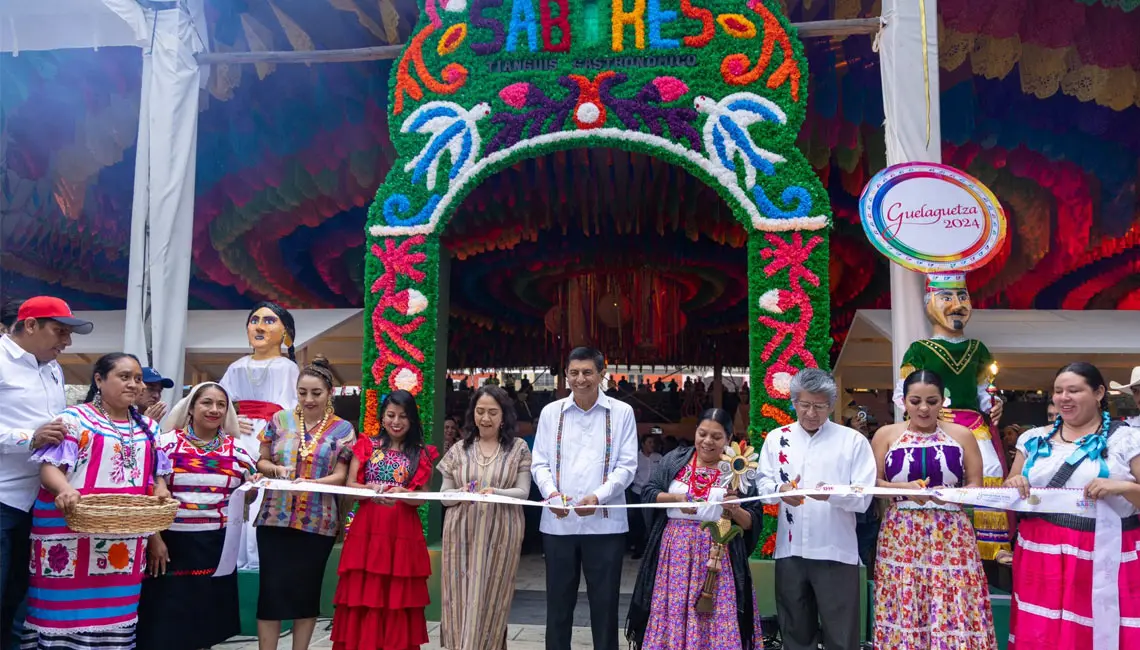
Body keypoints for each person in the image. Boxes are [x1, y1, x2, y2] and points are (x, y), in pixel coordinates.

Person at [21, 353, 171, 650]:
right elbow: (49, 467)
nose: (134, 384)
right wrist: (64, 488)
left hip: (123, 539)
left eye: (138, 379)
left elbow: (154, 476)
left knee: (116, 617)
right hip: (66, 535)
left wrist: (161, 491)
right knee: (59, 616)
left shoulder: (149, 429)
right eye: (124, 377)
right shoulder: (73, 420)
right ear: (99, 380)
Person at [1005, 362, 1140, 649]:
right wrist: (1014, 484)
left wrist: (1126, 488)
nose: (1064, 398)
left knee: (1099, 631)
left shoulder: (1128, 439)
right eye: (1058, 391)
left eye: (1074, 390)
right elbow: (1011, 488)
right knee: (1044, 632)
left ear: (1099, 393)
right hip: (1041, 554)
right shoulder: (1033, 440)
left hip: (1105, 553)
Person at [871, 369, 997, 650]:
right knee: (906, 596)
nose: (924, 408)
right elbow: (872, 482)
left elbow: (976, 484)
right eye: (915, 401)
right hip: (901, 532)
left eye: (932, 400)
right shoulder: (886, 434)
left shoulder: (962, 434)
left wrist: (951, 496)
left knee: (954, 599)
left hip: (951, 531)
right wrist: (902, 490)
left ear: (943, 401)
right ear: (903, 401)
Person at [756, 369, 876, 650]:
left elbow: (863, 497)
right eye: (805, 404)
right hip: (790, 553)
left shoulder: (852, 441)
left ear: (831, 405)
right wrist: (780, 492)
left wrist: (830, 495)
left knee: (841, 635)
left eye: (819, 406)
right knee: (795, 632)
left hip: (835, 551)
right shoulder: (776, 438)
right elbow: (763, 485)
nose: (811, 413)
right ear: (794, 403)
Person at [626, 408, 764, 650]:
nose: (707, 441)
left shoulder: (738, 470)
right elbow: (648, 492)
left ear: (729, 439)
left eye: (716, 436)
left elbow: (752, 520)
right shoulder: (675, 459)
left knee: (717, 613)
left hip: (718, 556)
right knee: (674, 610)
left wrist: (734, 510)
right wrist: (675, 499)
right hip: (675, 556)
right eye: (702, 434)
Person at [894, 275, 1010, 561]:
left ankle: (992, 544)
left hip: (973, 423)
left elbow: (984, 389)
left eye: (962, 298)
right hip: (935, 421)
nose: (957, 306)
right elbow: (903, 392)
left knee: (990, 470)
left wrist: (995, 404)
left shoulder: (978, 349)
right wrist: (923, 411)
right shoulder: (919, 349)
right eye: (946, 298)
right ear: (929, 303)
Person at [532, 347, 638, 650]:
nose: (581, 379)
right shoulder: (551, 413)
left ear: (602, 374)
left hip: (605, 527)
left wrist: (599, 497)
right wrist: (551, 494)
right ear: (566, 374)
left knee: (605, 608)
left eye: (588, 372)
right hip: (558, 524)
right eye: (574, 372)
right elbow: (539, 462)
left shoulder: (622, 412)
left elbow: (627, 466)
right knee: (558, 606)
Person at [136, 382, 256, 650]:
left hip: (216, 547)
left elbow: (245, 498)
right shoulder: (165, 445)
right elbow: (150, 493)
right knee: (165, 622)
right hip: (170, 546)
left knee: (205, 623)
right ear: (191, 407)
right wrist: (154, 539)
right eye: (207, 403)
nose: (214, 410)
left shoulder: (239, 451)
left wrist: (254, 488)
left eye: (221, 405)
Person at [0, 297, 91, 649]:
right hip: (4, 497)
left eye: (68, 334)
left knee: (20, 598)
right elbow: (36, 434)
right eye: (60, 331)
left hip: (39, 504)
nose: (66, 343)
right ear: (31, 325)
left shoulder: (53, 368)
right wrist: (28, 439)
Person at [253, 357, 354, 650]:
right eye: (302, 392)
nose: (308, 399)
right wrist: (274, 470)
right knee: (270, 591)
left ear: (329, 393)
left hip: (318, 520)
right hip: (274, 517)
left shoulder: (342, 429)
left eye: (316, 393)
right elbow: (262, 460)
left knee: (306, 592)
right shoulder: (279, 420)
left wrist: (311, 485)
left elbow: (342, 474)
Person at [331, 390, 438, 650]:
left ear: (412, 419)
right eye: (391, 415)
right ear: (382, 416)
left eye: (403, 416)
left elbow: (422, 498)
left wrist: (404, 494)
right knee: (364, 593)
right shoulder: (368, 444)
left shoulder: (421, 453)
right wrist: (369, 490)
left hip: (402, 531)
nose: (396, 421)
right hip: (367, 528)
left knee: (398, 597)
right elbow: (352, 483)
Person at [438, 385, 532, 650]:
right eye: (480, 412)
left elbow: (523, 492)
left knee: (493, 597)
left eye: (493, 412)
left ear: (504, 416)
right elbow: (444, 496)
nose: (486, 419)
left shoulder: (518, 449)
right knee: (458, 598)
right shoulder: (458, 449)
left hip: (502, 533)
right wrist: (461, 494)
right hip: (460, 534)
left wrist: (495, 492)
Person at [220, 301, 300, 570]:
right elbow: (218, 401)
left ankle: (254, 559)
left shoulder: (287, 368)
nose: (259, 326)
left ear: (285, 332)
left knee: (263, 493)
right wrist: (230, 419)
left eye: (269, 321)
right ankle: (231, 556)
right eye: (254, 320)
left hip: (270, 438)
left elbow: (292, 408)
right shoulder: (236, 366)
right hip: (238, 437)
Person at [629, 435, 663, 559]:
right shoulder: (636, 457)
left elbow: (662, 473)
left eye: (653, 442)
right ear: (643, 443)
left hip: (654, 494)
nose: (652, 445)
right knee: (639, 522)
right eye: (649, 442)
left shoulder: (658, 457)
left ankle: (652, 550)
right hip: (638, 492)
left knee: (653, 521)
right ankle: (639, 549)